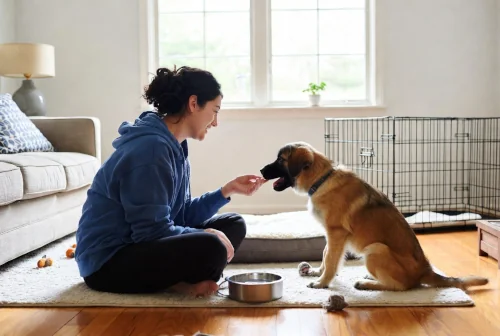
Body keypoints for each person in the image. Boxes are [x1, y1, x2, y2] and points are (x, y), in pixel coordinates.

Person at [75, 66, 266, 298]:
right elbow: (151, 231)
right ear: (194, 104)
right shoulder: (151, 149)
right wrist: (208, 235)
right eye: (214, 111)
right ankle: (177, 284)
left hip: (139, 245)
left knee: (234, 224)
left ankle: (179, 281)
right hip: (107, 262)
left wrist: (227, 191)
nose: (215, 122)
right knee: (212, 245)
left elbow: (180, 215)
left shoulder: (174, 146)